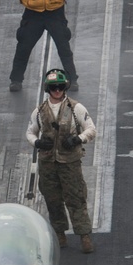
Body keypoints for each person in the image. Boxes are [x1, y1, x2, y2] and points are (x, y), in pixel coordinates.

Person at [25, 69, 97, 253]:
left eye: (60, 87)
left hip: (70, 162)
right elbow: (30, 132)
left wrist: (78, 139)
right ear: (48, 89)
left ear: (65, 88)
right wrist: (37, 142)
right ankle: (59, 234)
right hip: (48, 163)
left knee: (76, 198)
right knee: (52, 199)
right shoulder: (39, 111)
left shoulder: (76, 108)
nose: (57, 90)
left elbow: (91, 129)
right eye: (53, 87)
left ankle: (84, 235)